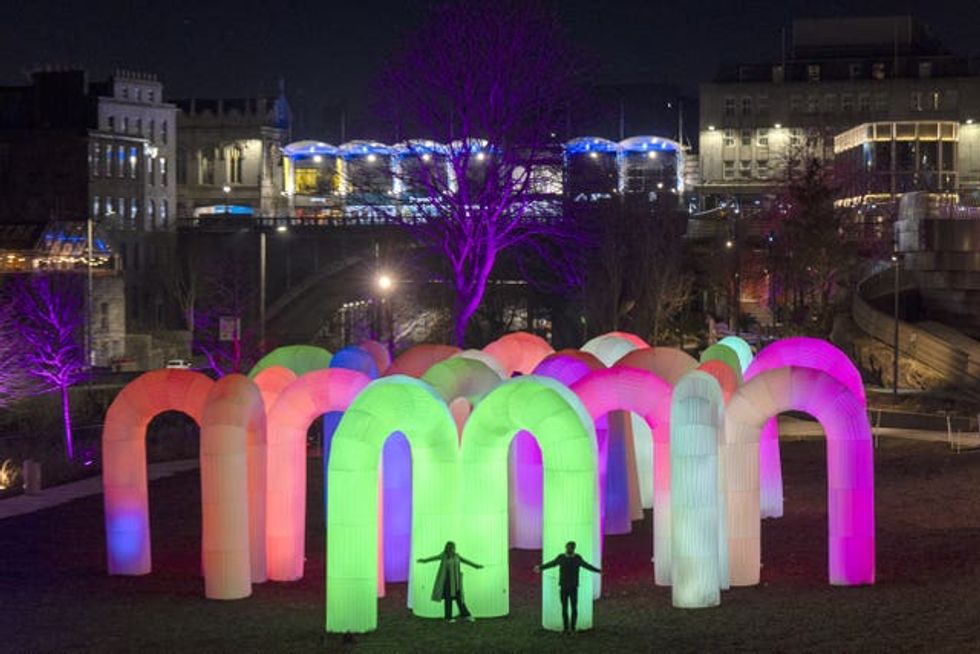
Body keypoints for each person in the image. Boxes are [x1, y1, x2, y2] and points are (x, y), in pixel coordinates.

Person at [534, 541, 601, 633]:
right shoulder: (566, 558)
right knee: (566, 608)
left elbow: (587, 566)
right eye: (568, 547)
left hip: (571, 587)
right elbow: (552, 564)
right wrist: (541, 567)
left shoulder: (574, 558)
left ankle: (572, 628)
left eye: (570, 548)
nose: (568, 549)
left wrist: (598, 571)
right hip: (566, 586)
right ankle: (567, 628)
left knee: (572, 608)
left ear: (573, 549)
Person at [417, 541, 483, 623]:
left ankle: (465, 615)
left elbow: (466, 561)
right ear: (447, 548)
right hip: (447, 582)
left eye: (453, 547)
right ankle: (448, 617)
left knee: (460, 599)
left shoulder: (457, 556)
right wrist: (424, 560)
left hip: (456, 582)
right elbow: (433, 558)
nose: (453, 549)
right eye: (451, 547)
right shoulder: (443, 556)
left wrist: (476, 566)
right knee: (448, 599)